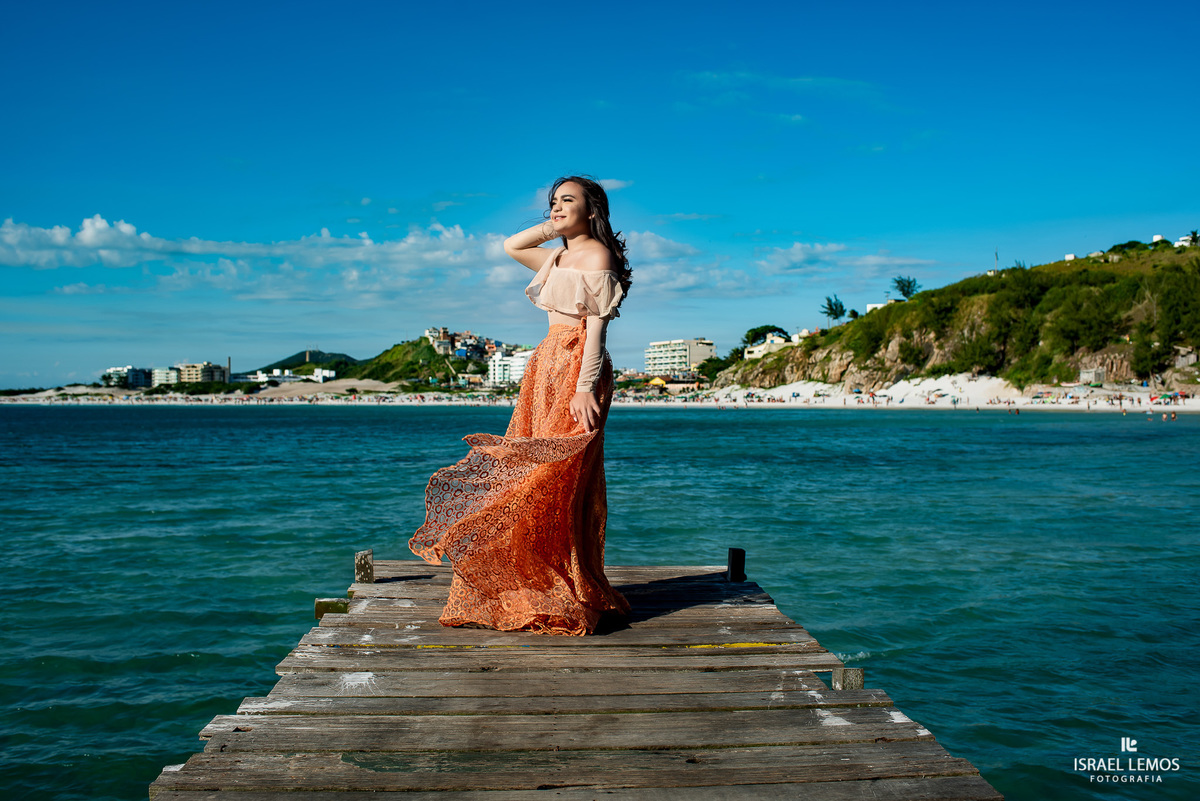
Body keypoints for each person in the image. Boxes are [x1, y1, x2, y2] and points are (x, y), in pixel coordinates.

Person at [408, 176, 632, 635]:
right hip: (545, 366)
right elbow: (512, 244)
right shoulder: (558, 255)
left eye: (567, 201)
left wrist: (586, 387)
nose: (555, 207)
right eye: (552, 201)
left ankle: (566, 584)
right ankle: (533, 580)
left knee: (559, 475)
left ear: (593, 209)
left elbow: (594, 330)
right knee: (530, 465)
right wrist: (554, 227)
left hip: (575, 367)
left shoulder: (598, 255)